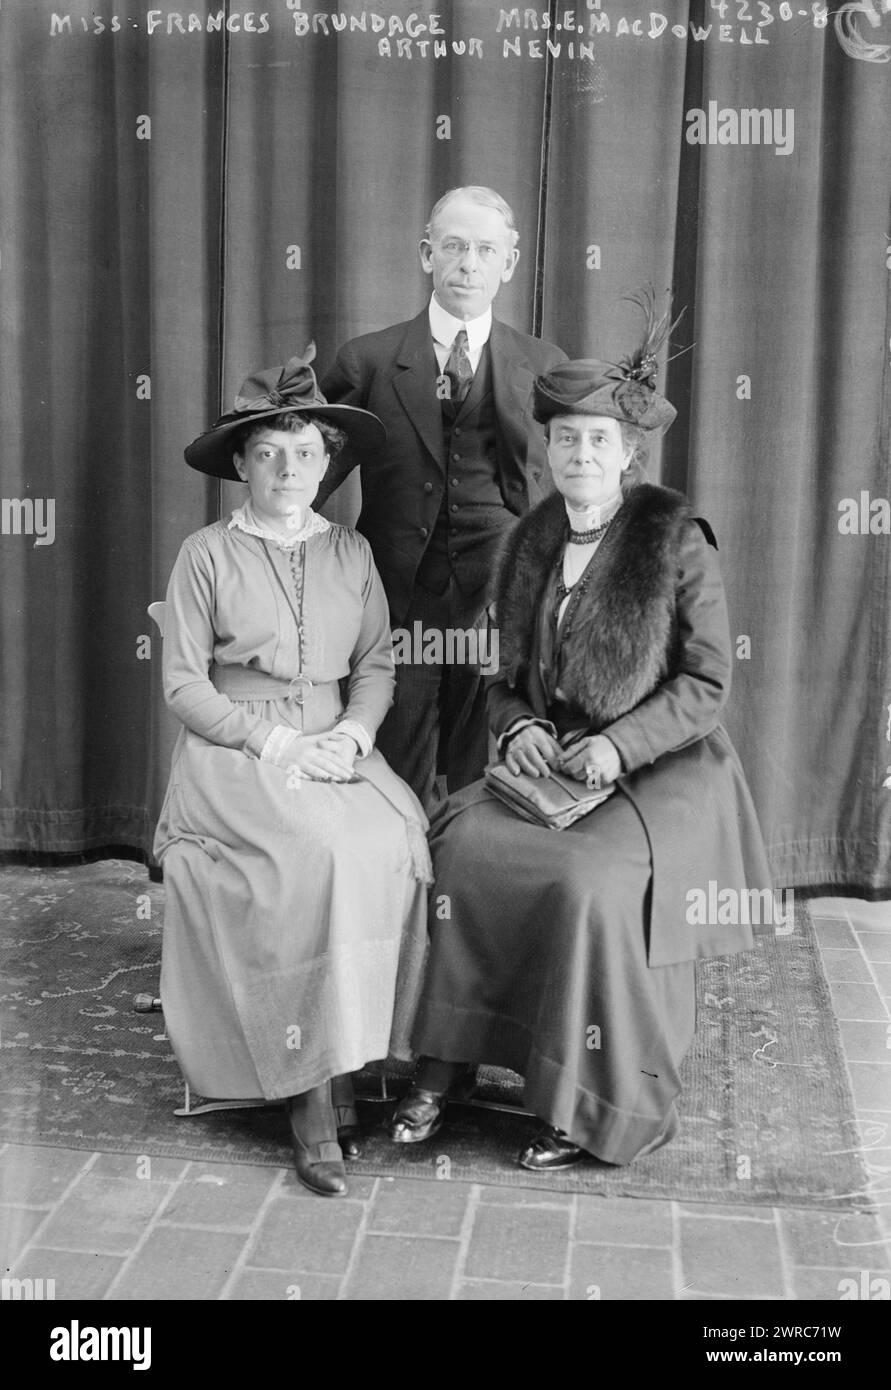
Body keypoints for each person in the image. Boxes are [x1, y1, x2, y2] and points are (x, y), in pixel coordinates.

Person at [387, 302, 774, 1171]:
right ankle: (441, 1068)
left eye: (599, 442)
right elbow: (499, 677)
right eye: (566, 441)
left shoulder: (676, 542)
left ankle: (584, 1100)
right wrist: (519, 723)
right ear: (549, 450)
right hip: (554, 764)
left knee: (588, 885)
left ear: (629, 454)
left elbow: (705, 685)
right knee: (459, 851)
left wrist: (617, 746)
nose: (581, 458)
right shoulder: (529, 541)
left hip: (659, 770)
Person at [154, 348, 431, 1198]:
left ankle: (362, 1062)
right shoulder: (206, 555)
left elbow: (378, 660)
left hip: (333, 740)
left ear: (326, 465)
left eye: (305, 452)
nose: (287, 468)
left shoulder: (349, 553)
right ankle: (310, 1097)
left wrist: (351, 736)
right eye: (268, 451)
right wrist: (274, 747)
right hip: (236, 754)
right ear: (240, 464)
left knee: (404, 837)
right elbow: (182, 685)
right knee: (316, 856)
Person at [316, 185, 566, 808]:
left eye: (486, 250)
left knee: (482, 775)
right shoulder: (368, 361)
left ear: (509, 264)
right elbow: (305, 482)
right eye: (454, 247)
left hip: (498, 605)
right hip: (399, 603)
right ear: (427, 254)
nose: (468, 263)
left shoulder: (542, 365)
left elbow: (573, 487)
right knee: (393, 767)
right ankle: (400, 897)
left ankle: (465, 894)